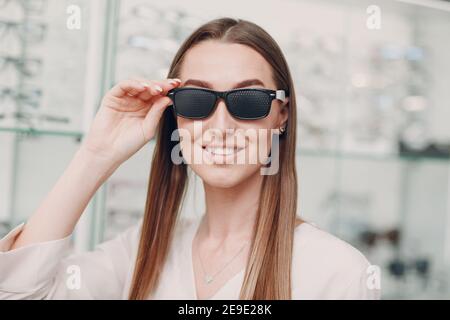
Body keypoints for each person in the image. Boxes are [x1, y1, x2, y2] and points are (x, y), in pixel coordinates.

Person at [0, 17, 380, 300]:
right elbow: (19, 290)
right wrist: (96, 154)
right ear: (175, 116)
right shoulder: (142, 252)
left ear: (282, 115)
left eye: (247, 101)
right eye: (197, 101)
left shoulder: (337, 273)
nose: (220, 126)